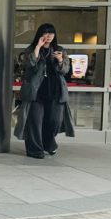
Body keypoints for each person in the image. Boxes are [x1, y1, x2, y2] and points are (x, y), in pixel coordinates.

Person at [14, 23, 74, 158]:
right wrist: (37, 47)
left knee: (54, 121)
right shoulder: (31, 49)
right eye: (46, 33)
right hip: (36, 91)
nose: (49, 36)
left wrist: (60, 60)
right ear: (40, 35)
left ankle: (48, 143)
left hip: (55, 91)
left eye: (51, 33)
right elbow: (30, 65)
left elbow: (65, 70)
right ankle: (35, 150)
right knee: (35, 122)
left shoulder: (59, 50)